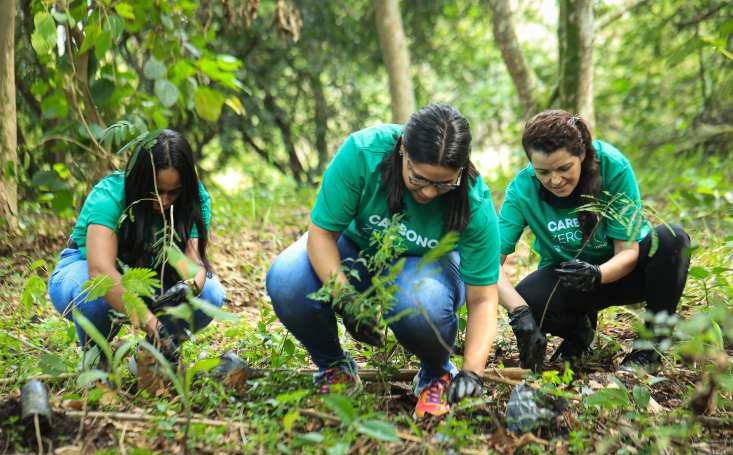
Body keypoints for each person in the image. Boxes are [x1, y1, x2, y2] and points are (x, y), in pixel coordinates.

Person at [266, 104, 501, 417]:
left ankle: (437, 374)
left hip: (427, 267)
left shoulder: (474, 200)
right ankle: (335, 369)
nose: (430, 192)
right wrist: (347, 299)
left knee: (422, 300)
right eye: (419, 179)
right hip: (355, 251)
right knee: (287, 279)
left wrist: (472, 374)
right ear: (402, 148)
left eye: (444, 183)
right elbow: (321, 235)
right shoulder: (363, 153)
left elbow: (484, 299)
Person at [497, 110, 690, 375]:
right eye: (543, 171)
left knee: (672, 238)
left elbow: (628, 249)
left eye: (565, 168)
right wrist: (519, 312)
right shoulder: (521, 190)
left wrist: (598, 274)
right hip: (573, 281)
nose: (555, 180)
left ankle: (650, 349)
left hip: (630, 273)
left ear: (583, 154)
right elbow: (489, 262)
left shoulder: (612, 165)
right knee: (529, 298)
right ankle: (580, 331)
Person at [48, 129, 226, 373]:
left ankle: (150, 357)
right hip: (84, 272)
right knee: (94, 295)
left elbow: (194, 264)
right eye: (155, 191)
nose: (164, 202)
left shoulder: (194, 198)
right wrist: (151, 322)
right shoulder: (110, 195)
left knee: (210, 294)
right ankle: (95, 362)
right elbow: (100, 272)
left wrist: (190, 286)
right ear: (139, 180)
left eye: (173, 192)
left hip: (147, 280)